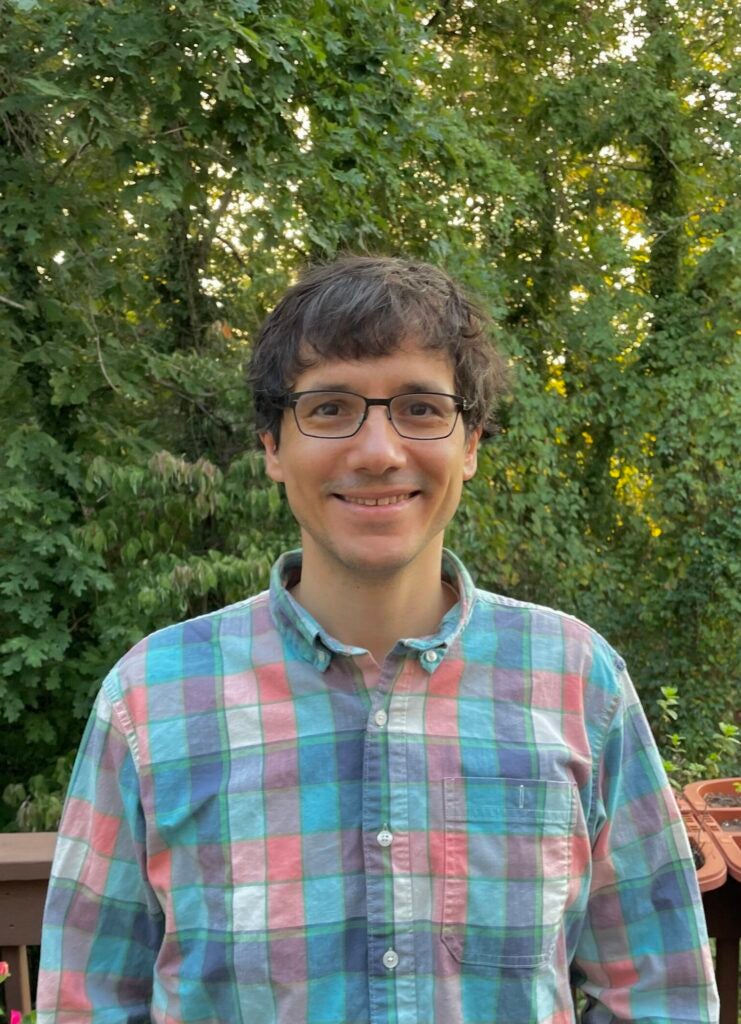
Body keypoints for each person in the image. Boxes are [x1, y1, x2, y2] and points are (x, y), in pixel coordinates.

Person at [37, 256, 718, 1023]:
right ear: (271, 445)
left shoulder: (577, 682)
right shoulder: (151, 696)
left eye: (420, 408)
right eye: (329, 408)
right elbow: (85, 1003)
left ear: (470, 443)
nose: (377, 451)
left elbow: (660, 996)